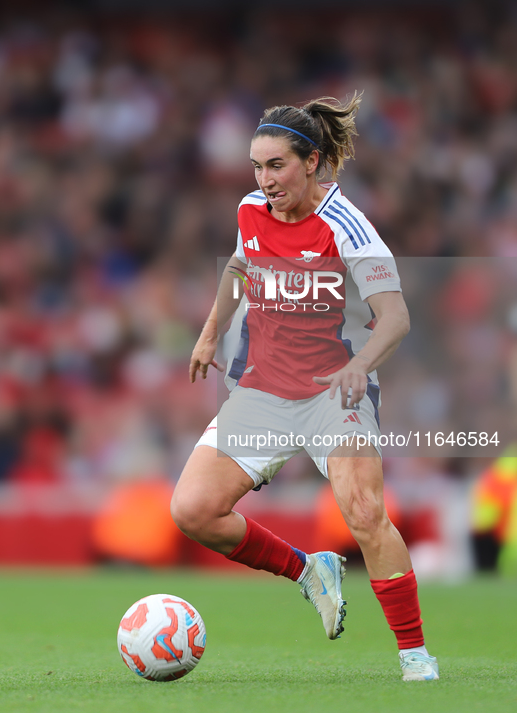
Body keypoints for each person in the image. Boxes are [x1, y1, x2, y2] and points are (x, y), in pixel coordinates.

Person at [170, 94, 439, 682]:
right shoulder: (251, 209)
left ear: (312, 161)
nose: (265, 180)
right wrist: (210, 334)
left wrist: (358, 364)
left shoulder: (346, 226)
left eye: (277, 166)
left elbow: (394, 317)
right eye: (257, 167)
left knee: (365, 512)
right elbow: (238, 268)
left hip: (331, 393)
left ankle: (415, 657)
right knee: (193, 510)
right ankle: (307, 571)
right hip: (263, 390)